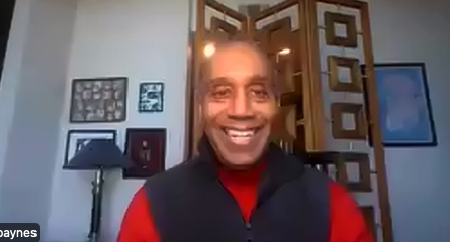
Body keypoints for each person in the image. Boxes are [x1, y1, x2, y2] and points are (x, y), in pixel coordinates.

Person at [116, 39, 373, 242]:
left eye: (258, 92)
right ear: (200, 106)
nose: (241, 110)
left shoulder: (330, 202)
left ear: (276, 106)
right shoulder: (153, 203)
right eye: (221, 92)